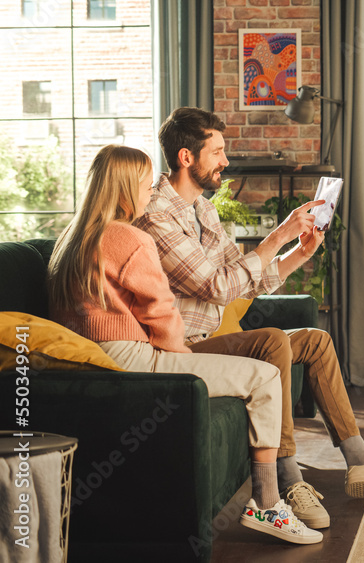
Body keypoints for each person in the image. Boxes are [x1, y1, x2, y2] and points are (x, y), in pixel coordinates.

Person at [134, 107, 364, 528]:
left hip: (211, 334)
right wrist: (278, 234)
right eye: (217, 151)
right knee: (273, 339)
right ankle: (288, 477)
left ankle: (359, 460)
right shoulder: (155, 215)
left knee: (314, 339)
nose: (225, 160)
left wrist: (298, 253)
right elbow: (216, 287)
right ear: (187, 157)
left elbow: (243, 277)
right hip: (185, 347)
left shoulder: (203, 210)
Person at [47, 144, 322, 545]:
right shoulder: (128, 237)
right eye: (144, 185)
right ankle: (267, 503)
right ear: (124, 190)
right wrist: (182, 360)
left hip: (91, 360)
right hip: (133, 358)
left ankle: (270, 499)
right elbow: (160, 312)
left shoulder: (69, 241)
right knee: (264, 378)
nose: (149, 193)